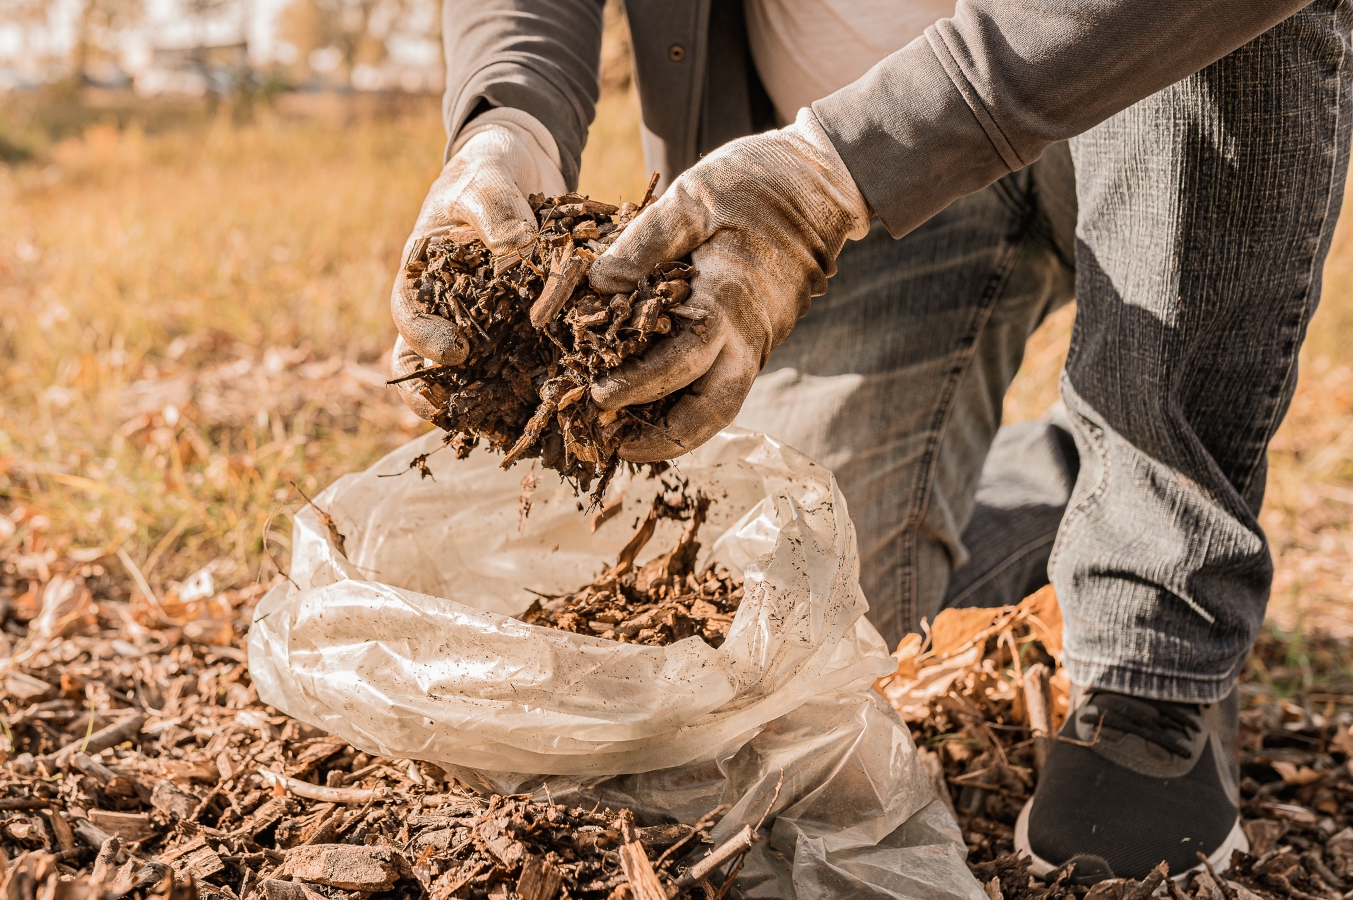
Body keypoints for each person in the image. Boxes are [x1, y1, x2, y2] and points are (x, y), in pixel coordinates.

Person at [388, 0, 1353, 884]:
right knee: (826, 634)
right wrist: (505, 118)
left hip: (1129, 97)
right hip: (839, 171)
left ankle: (1155, 634)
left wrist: (828, 174)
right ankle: (1077, 486)